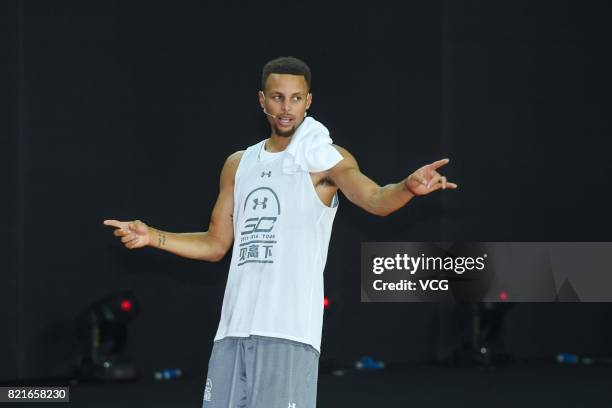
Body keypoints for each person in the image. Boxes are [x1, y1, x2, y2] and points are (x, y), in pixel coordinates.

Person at [103, 56, 457, 407]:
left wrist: (407, 188)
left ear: (308, 102)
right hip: (232, 333)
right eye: (277, 97)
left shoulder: (324, 160)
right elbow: (215, 244)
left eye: (296, 98)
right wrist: (153, 236)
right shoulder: (238, 164)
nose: (286, 108)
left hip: (288, 333)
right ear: (262, 100)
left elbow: (376, 199)